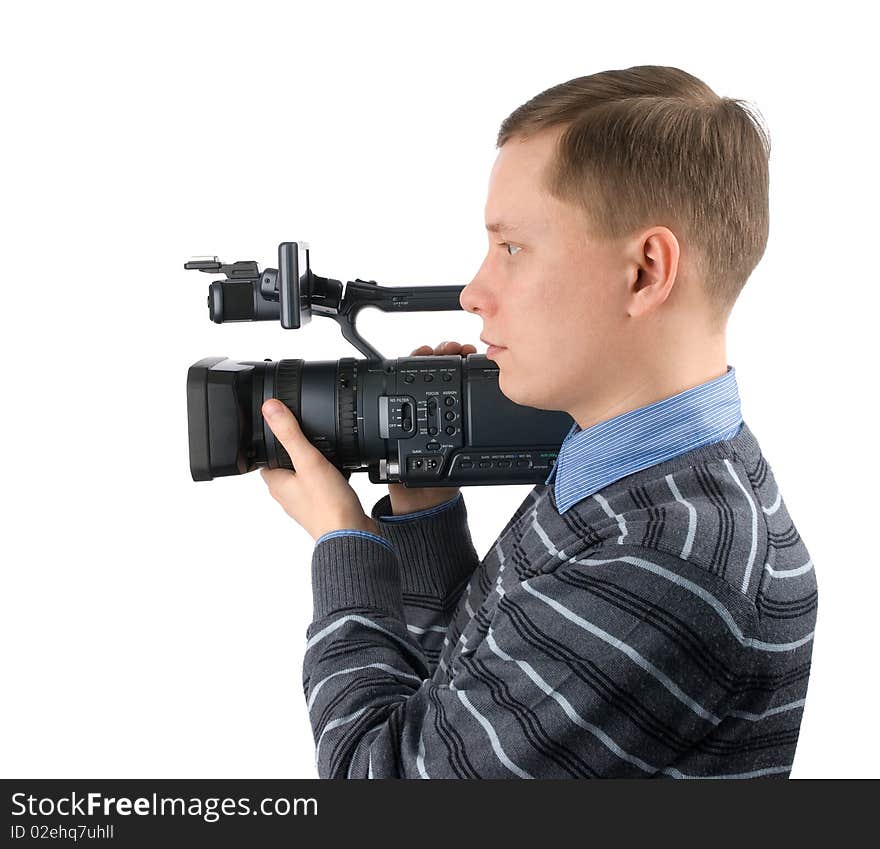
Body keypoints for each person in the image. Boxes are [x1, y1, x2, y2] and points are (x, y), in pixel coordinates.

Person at [259, 65, 818, 778]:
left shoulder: (668, 562)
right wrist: (422, 512)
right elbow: (479, 704)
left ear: (645, 270)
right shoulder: (628, 466)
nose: (474, 291)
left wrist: (345, 544)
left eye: (511, 248)